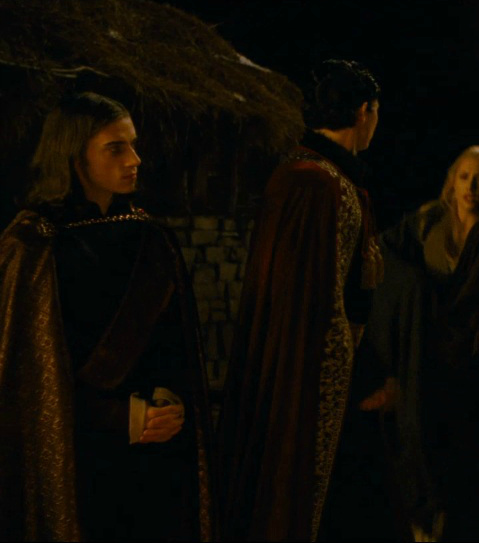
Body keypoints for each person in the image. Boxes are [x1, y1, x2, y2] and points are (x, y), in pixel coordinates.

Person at [0, 92, 214, 541]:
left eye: (133, 144)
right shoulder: (34, 244)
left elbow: (174, 346)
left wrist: (170, 405)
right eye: (115, 148)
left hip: (155, 453)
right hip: (78, 458)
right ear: (73, 154)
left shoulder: (150, 237)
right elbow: (25, 380)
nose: (134, 159)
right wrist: (120, 417)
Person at [218, 59, 387, 541]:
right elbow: (317, 301)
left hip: (326, 367)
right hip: (314, 374)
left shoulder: (319, 177)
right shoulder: (316, 183)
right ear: (364, 112)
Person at [365, 145, 479, 540]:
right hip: (426, 347)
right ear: (452, 181)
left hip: (470, 349)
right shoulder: (429, 220)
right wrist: (412, 295)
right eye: (465, 177)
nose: (471, 186)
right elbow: (382, 253)